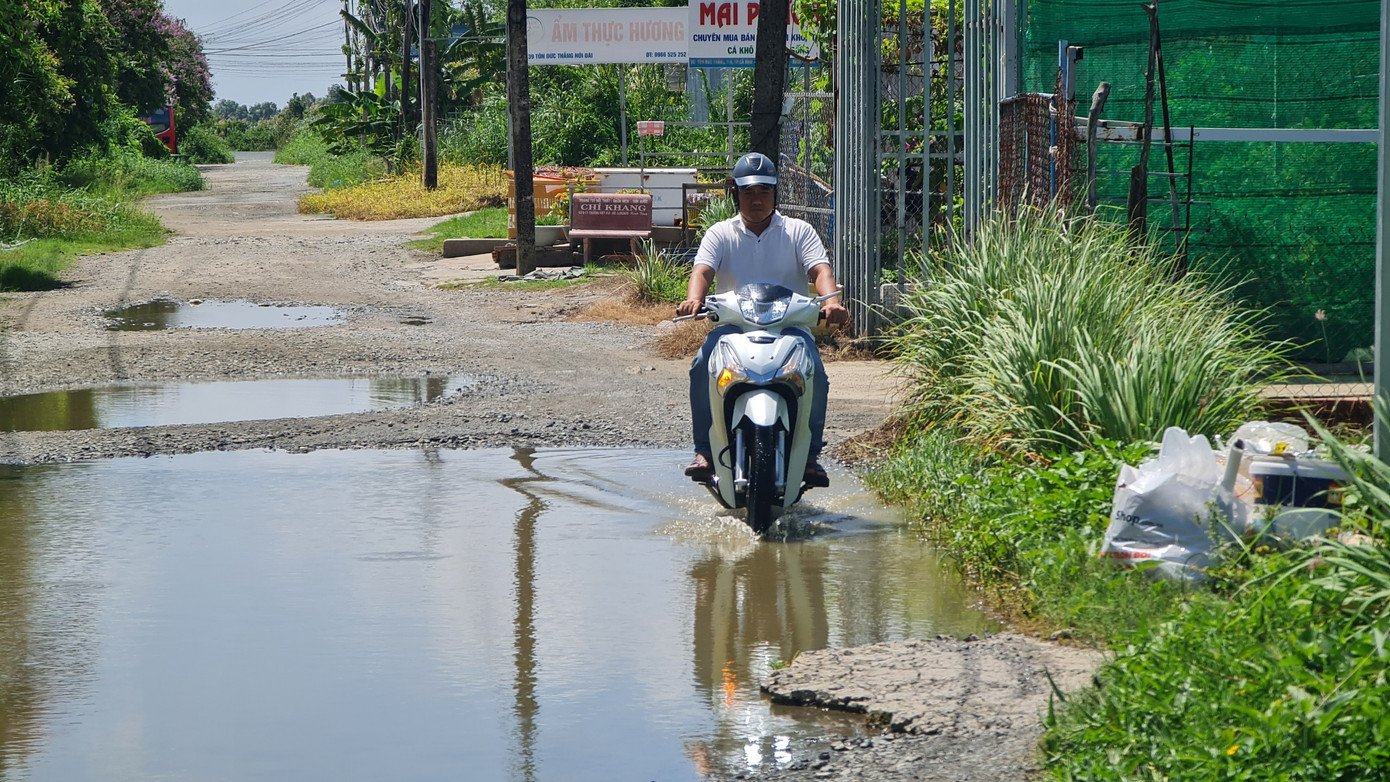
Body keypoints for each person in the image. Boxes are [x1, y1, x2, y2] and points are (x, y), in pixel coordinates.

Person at [676, 152, 850, 487]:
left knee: (816, 372)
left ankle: (810, 456)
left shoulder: (798, 231)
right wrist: (694, 299)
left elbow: (820, 270)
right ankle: (705, 452)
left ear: (775, 193)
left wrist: (832, 303)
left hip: (791, 327)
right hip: (732, 327)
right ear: (736, 194)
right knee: (701, 365)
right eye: (749, 192)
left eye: (764, 192)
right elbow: (702, 270)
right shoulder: (720, 233)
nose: (757, 200)